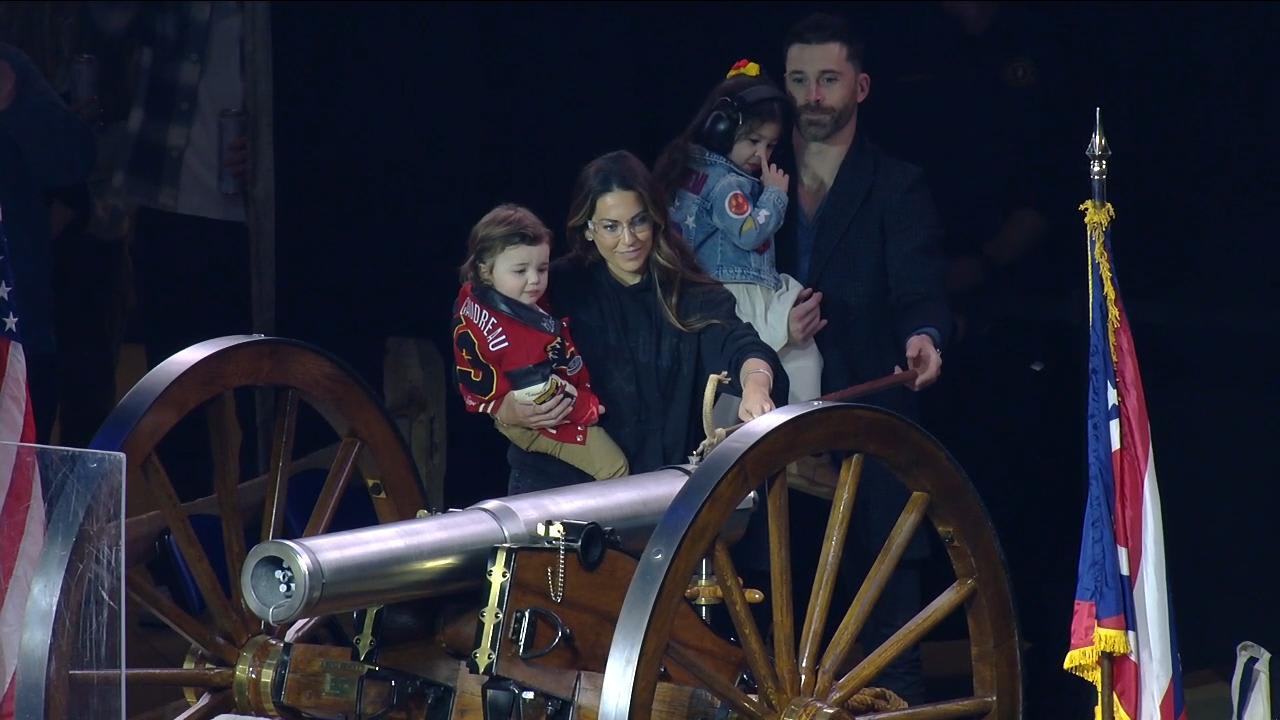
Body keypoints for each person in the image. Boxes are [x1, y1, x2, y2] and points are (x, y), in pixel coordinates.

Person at [772, 12, 954, 704]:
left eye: (827, 79)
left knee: (888, 635)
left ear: (862, 86)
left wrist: (927, 339)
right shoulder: (751, 176)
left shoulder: (895, 185)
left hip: (869, 429)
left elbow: (922, 292)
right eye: (798, 80)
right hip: (774, 431)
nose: (812, 96)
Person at [494, 150, 788, 496]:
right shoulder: (553, 289)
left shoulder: (688, 291)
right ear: (588, 229)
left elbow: (742, 345)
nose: (629, 240)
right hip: (558, 489)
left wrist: (756, 385)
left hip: (657, 496)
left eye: (638, 221)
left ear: (656, 219)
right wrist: (508, 409)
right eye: (610, 227)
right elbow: (490, 352)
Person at [656, 58, 823, 405]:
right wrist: (775, 195)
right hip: (737, 291)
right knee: (794, 366)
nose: (761, 155)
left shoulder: (691, 170)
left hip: (716, 291)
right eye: (753, 141)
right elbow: (750, 232)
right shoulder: (728, 184)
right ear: (719, 128)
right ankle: (805, 439)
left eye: (771, 146)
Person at [452, 203, 629, 481]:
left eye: (542, 268)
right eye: (520, 271)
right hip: (533, 419)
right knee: (615, 468)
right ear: (486, 269)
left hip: (497, 398)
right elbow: (540, 396)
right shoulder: (519, 339)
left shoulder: (471, 293)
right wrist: (588, 407)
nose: (534, 280)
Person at [0, 42, 97, 443]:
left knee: (23, 489)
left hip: (19, 339)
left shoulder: (12, 69)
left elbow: (73, 162)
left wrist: (13, 100)